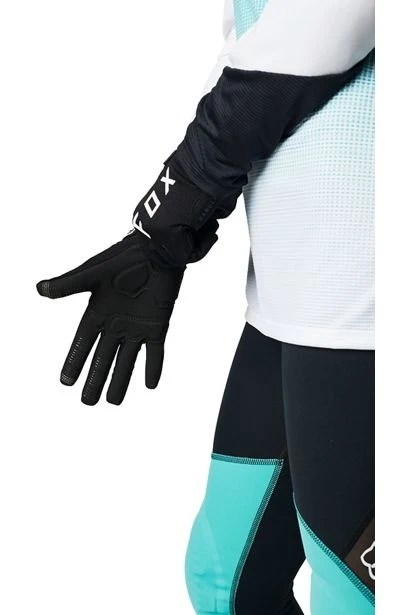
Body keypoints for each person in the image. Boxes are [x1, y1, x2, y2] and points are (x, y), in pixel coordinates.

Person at [37, 1, 375, 613]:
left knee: (354, 597)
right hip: (292, 288)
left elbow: (311, 36)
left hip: (367, 293)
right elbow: (252, 41)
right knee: (227, 584)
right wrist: (169, 234)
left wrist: (174, 209)